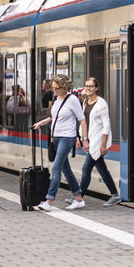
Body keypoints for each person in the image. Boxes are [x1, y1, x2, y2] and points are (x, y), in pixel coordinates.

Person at [30, 74, 87, 211]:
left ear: (64, 87)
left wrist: (85, 139)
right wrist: (41, 123)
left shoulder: (72, 99)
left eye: (57, 88)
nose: (54, 91)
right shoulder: (56, 98)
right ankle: (78, 199)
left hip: (67, 138)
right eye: (53, 88)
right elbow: (53, 117)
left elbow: (82, 120)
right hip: (56, 138)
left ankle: (48, 201)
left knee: (56, 168)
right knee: (65, 169)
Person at [76, 77, 121, 206]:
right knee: (102, 170)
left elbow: (106, 125)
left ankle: (79, 197)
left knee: (86, 169)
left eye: (91, 86)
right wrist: (81, 138)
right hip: (89, 139)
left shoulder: (101, 104)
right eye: (86, 86)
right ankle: (115, 195)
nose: (88, 88)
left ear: (96, 88)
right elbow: (83, 121)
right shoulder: (85, 102)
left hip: (97, 141)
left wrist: (103, 145)